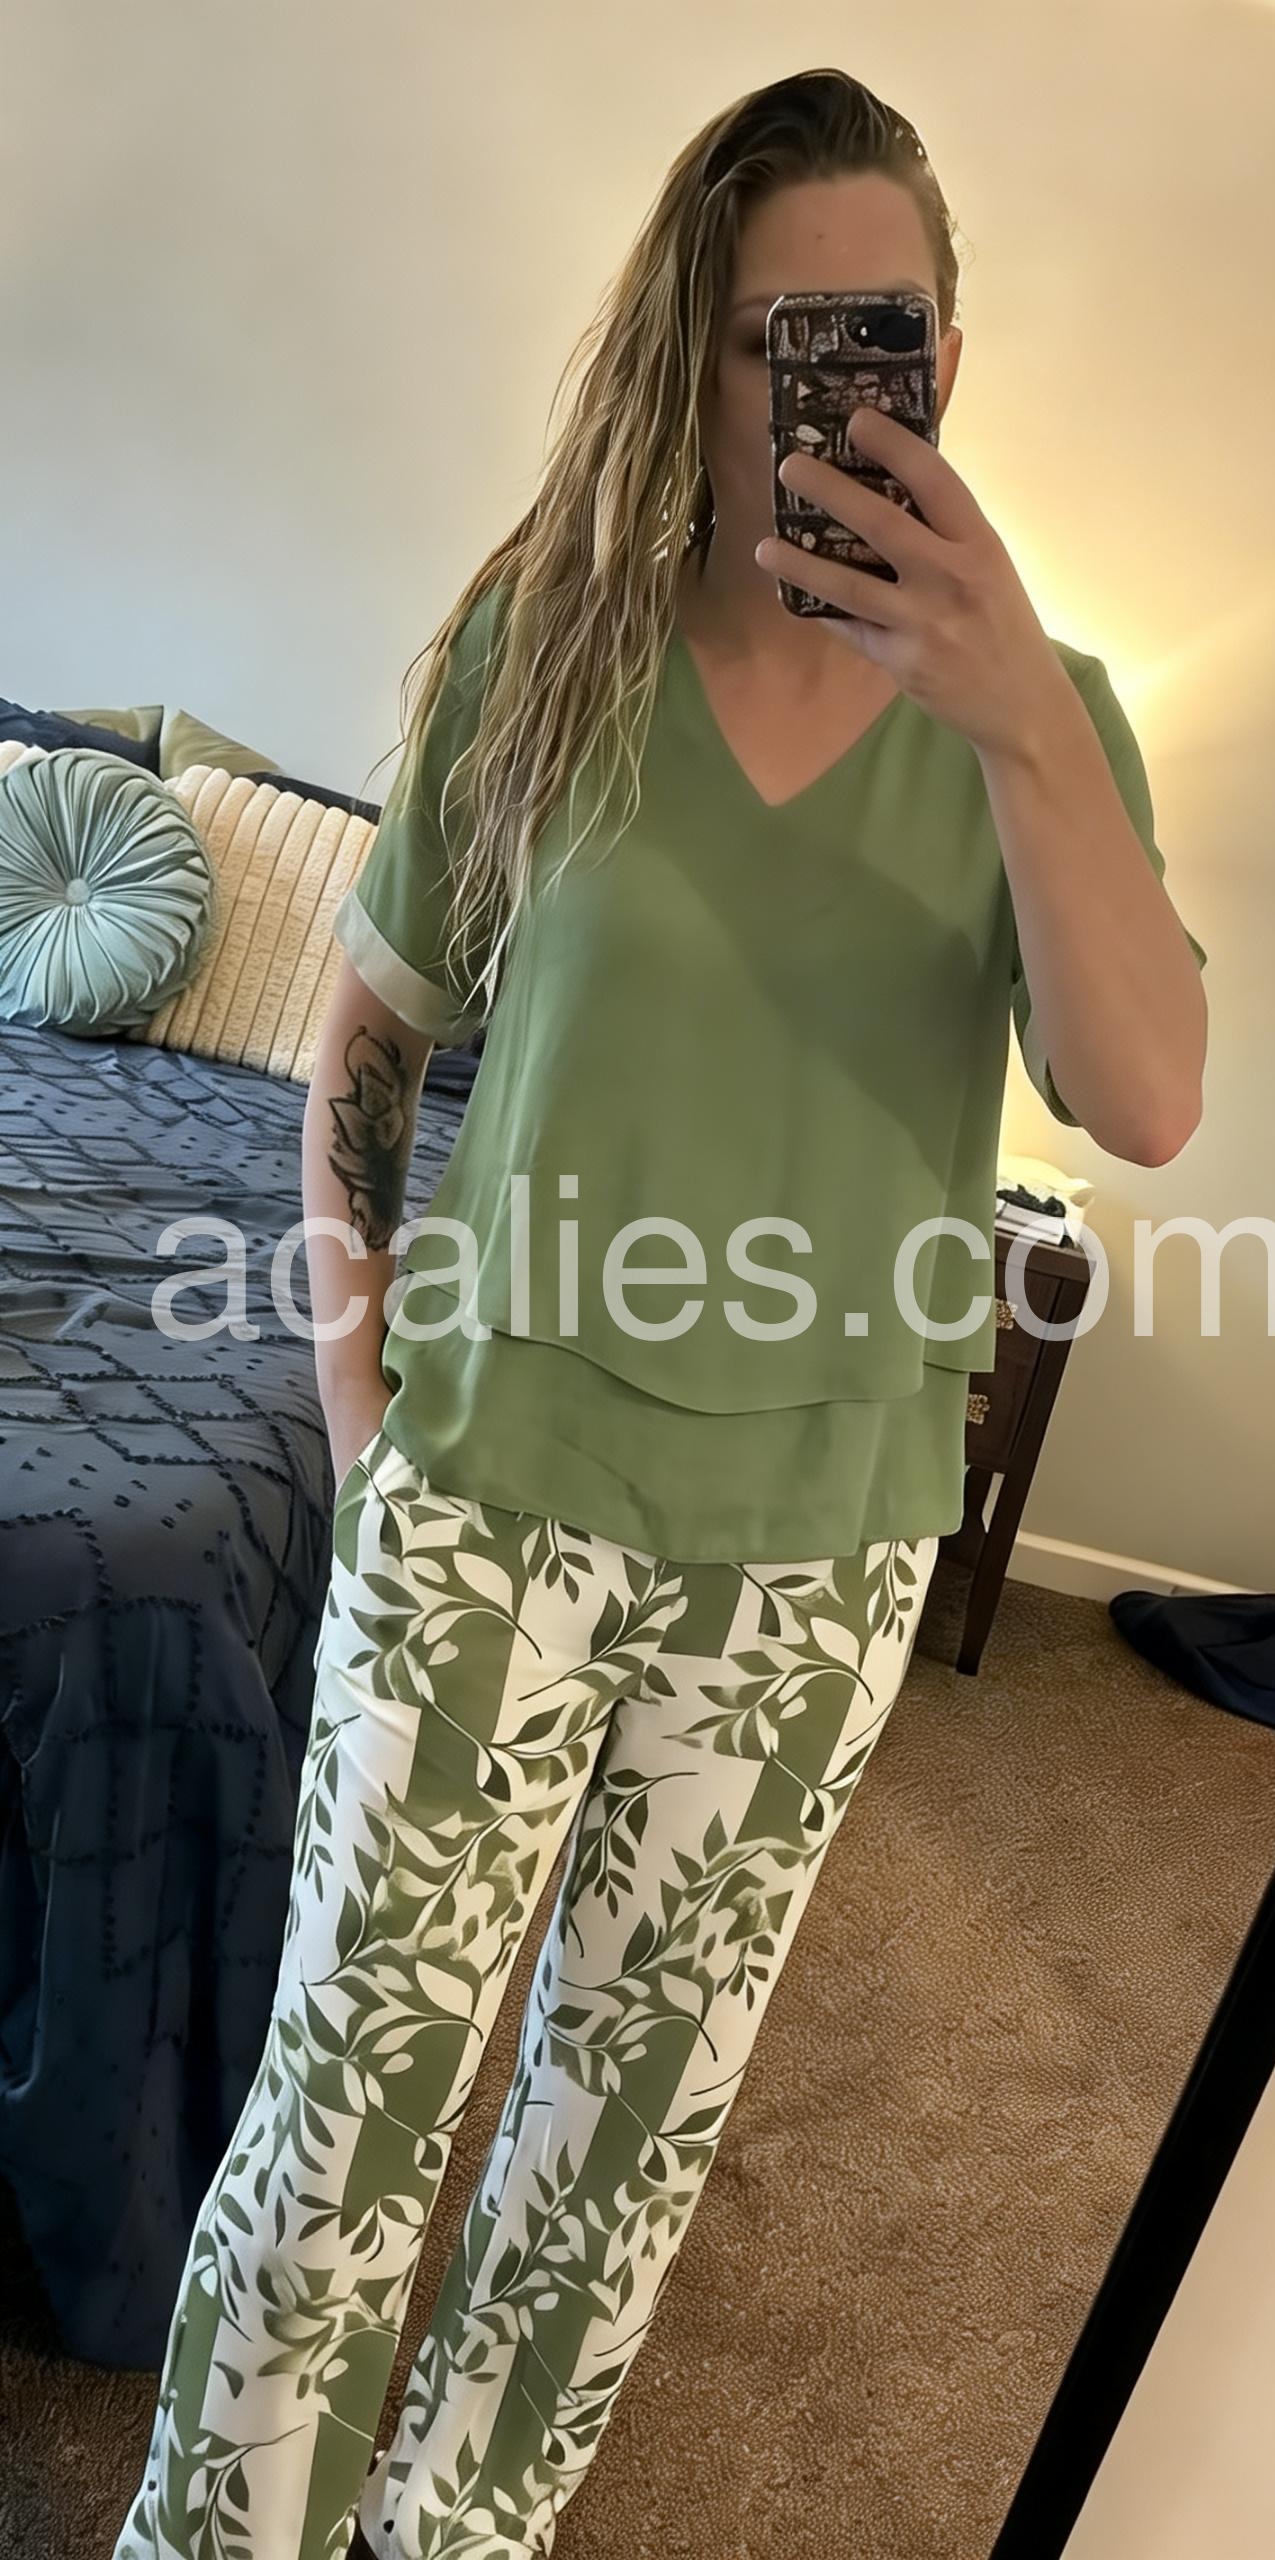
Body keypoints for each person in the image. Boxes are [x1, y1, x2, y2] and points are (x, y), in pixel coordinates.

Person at [112, 63, 1207, 2560]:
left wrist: (1022, 714)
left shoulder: (1052, 727)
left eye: (883, 333)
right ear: (695, 358)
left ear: (952, 359)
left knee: (604, 2178)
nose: (834, 389)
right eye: (774, 338)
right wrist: (362, 1402)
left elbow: (1142, 1095)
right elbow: (368, 1035)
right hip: (489, 1502)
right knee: (338, 2130)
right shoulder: (552, 644)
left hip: (810, 1562)